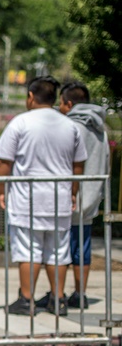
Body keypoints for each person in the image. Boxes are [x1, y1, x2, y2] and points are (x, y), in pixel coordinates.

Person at [0, 76, 87, 317]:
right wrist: (73, 192)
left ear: (31, 97)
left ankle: (26, 299)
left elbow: (4, 161)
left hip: (28, 199)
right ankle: (58, 299)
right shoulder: (70, 125)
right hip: (60, 198)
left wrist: (0, 190)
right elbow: (78, 165)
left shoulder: (21, 123)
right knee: (59, 251)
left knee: (28, 250)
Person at [56, 81, 109, 309]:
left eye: (61, 103)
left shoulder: (69, 127)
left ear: (69, 103)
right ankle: (80, 294)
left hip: (68, 196)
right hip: (91, 198)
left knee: (58, 250)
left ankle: (56, 295)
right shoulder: (100, 130)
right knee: (82, 249)